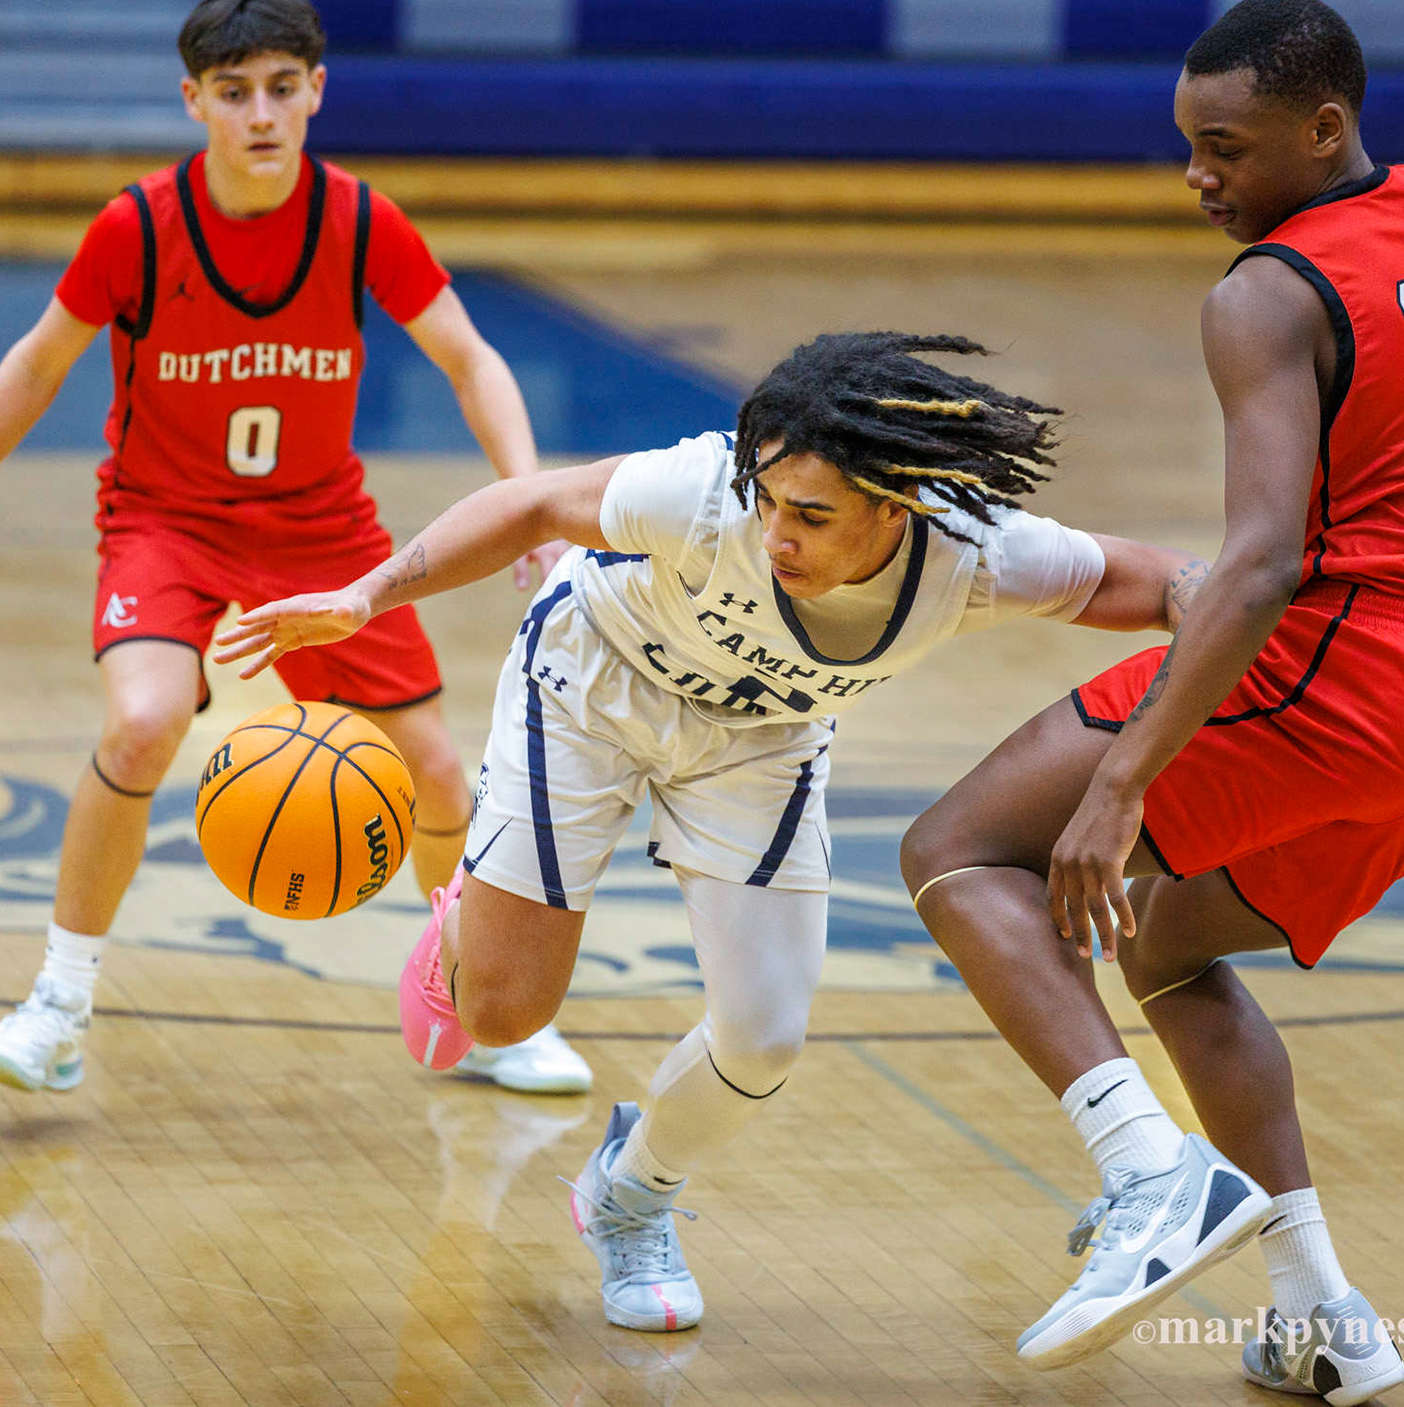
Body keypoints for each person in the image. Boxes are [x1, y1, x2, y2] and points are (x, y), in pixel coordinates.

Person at [898, 0, 1404, 1404]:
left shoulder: (1262, 295)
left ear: (1324, 128)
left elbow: (1252, 572)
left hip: (1335, 668)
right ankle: (1320, 1314)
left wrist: (1120, 789)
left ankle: (1151, 1182)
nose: (1202, 177)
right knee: (1172, 948)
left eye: (1228, 148)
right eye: (1189, 146)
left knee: (954, 851)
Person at [214, 330, 1211, 1333]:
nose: (776, 533)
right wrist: (367, 594)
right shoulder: (701, 493)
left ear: (899, 506)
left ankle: (631, 1195)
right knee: (500, 1018)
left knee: (765, 1038)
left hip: (761, 741)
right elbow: (531, 504)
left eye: (812, 516)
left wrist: (1259, 635)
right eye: (769, 502)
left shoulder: (980, 558)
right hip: (588, 685)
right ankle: (469, 915)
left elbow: (1178, 586)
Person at [0, 0, 592, 1099]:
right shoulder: (138, 227)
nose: (260, 114)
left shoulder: (361, 219)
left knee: (439, 772)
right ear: (193, 101)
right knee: (144, 722)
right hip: (165, 522)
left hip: (319, 530)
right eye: (234, 93)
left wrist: (535, 510)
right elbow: (35, 364)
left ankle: (486, 1012)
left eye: (280, 89)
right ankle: (59, 1002)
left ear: (317, 91)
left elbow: (471, 359)